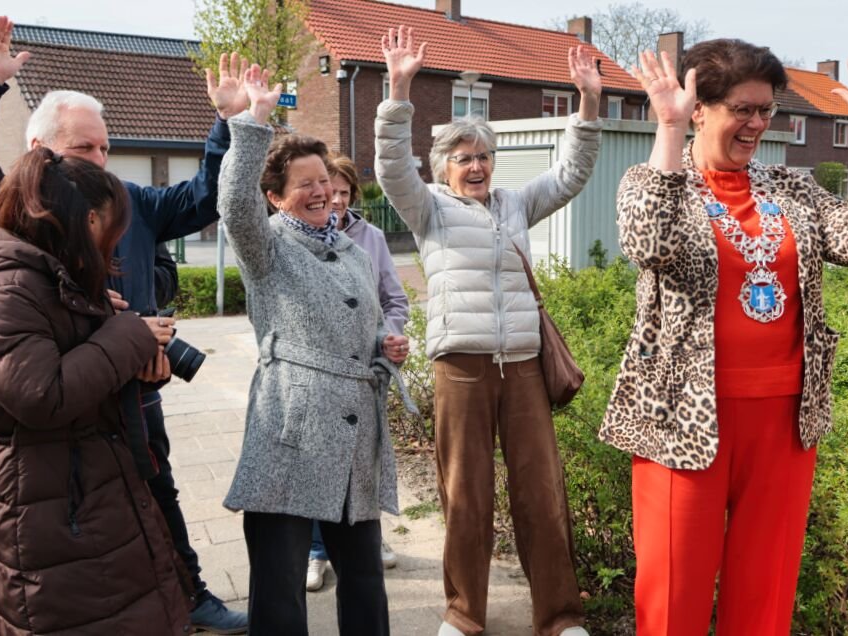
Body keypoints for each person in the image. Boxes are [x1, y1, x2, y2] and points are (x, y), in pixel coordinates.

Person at [0, 17, 248, 633]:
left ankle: (189, 595)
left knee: (157, 498)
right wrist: (63, 341)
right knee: (76, 556)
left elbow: (204, 197)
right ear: (40, 154)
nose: (101, 162)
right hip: (48, 431)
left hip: (134, 402)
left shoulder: (127, 199)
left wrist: (226, 125)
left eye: (105, 147)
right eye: (83, 151)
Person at [598, 42, 848, 634]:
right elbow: (650, 244)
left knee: (765, 590)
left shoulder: (789, 187)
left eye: (766, 111)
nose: (758, 124)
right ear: (700, 109)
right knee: (673, 591)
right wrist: (665, 128)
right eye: (743, 109)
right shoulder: (654, 182)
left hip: (786, 418)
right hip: (680, 414)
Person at [374, 26, 600, 636]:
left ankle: (559, 618)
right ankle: (463, 616)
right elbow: (391, 165)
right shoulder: (429, 210)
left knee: (542, 497)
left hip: (524, 366)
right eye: (463, 157)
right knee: (466, 497)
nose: (476, 166)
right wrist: (397, 87)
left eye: (483, 156)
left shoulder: (516, 205)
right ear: (444, 167)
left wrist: (587, 104)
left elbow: (572, 173)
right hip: (462, 369)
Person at [0, 147, 189, 634]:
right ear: (83, 221)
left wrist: (137, 366)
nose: (114, 244)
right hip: (49, 502)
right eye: (110, 229)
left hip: (82, 484)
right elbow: (42, 394)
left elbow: (80, 365)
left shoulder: (53, 277)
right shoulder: (8, 289)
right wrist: (130, 335)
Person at [217, 64, 411, 635]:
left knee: (365, 578)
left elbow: (366, 320)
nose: (321, 190)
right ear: (275, 198)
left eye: (323, 179)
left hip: (356, 435)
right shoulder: (266, 248)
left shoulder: (350, 248)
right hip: (291, 427)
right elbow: (232, 204)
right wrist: (250, 120)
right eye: (304, 183)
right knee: (279, 584)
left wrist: (385, 346)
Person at [305, 153, 408, 592]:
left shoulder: (372, 238)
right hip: (322, 375)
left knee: (364, 461)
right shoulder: (301, 238)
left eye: (345, 192)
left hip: (367, 371)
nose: (337, 199)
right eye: (332, 190)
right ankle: (316, 552)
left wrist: (391, 336)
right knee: (319, 462)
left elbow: (394, 300)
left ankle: (369, 537)